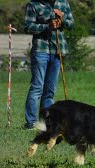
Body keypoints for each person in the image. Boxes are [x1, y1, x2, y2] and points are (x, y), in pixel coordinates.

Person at [23, 0, 74, 129]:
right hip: (41, 50)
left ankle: (46, 123)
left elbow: (71, 25)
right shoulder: (33, 5)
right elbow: (28, 27)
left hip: (57, 51)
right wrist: (47, 26)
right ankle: (31, 123)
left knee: (50, 91)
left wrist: (62, 19)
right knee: (37, 88)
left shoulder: (64, 4)